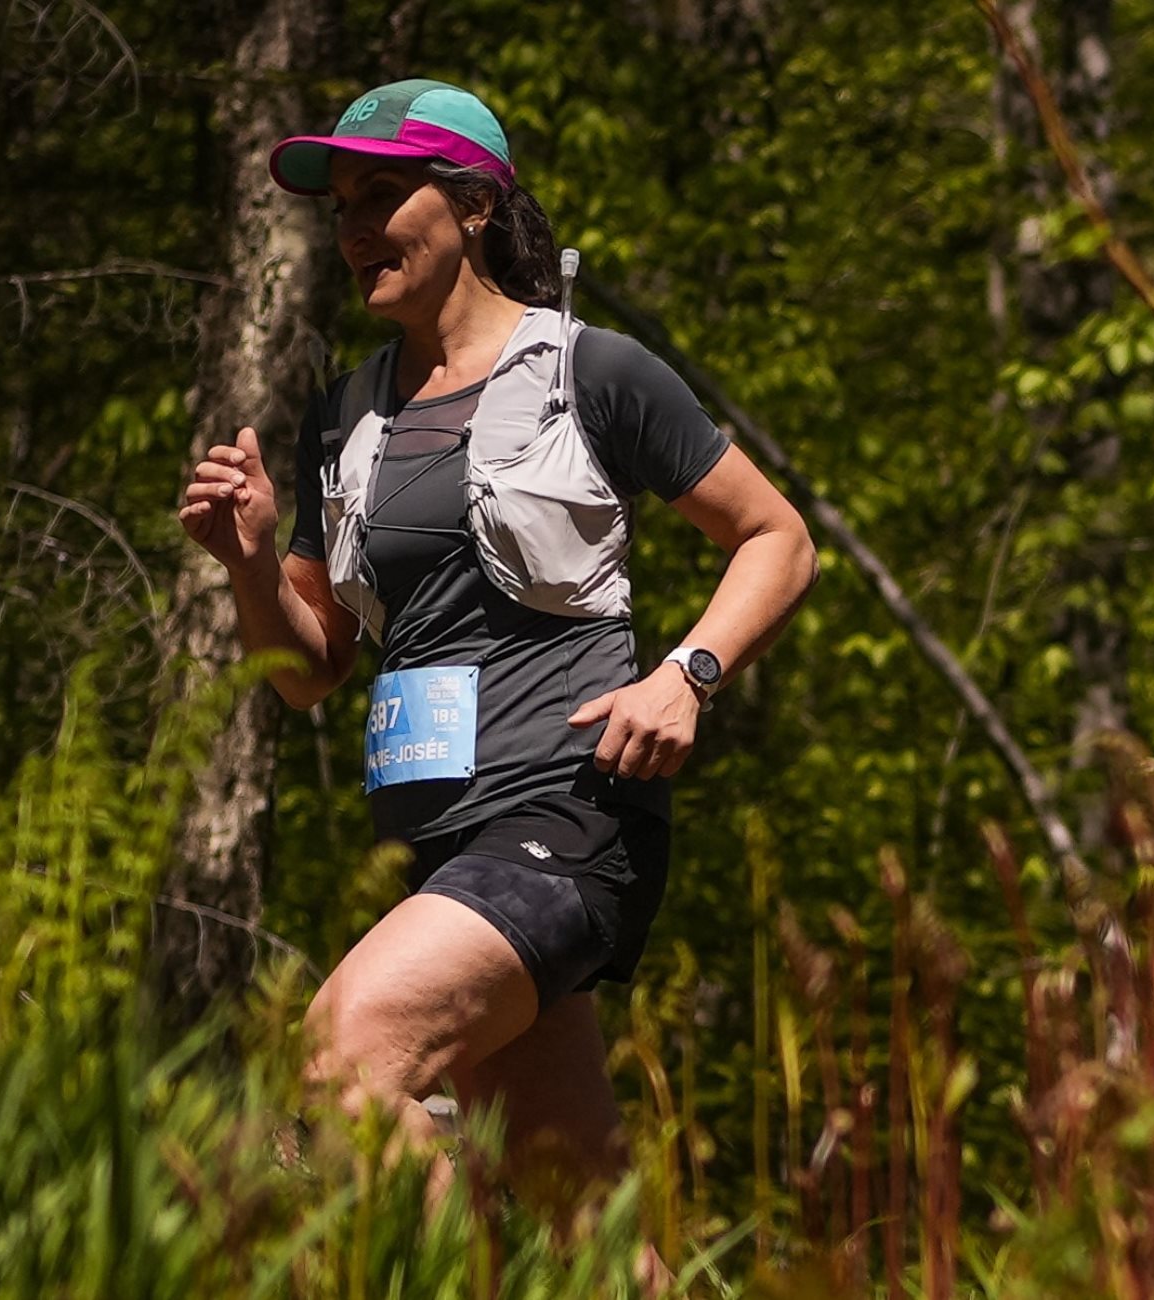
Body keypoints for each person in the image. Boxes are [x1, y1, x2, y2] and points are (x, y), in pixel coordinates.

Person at [178, 79, 818, 1212]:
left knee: (339, 1057)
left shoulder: (591, 371)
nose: (355, 228)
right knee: (579, 1219)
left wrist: (687, 674)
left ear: (474, 204)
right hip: (431, 845)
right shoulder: (344, 415)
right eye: (342, 207)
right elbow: (311, 670)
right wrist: (251, 560)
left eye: (383, 196)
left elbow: (777, 538)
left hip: (568, 810)